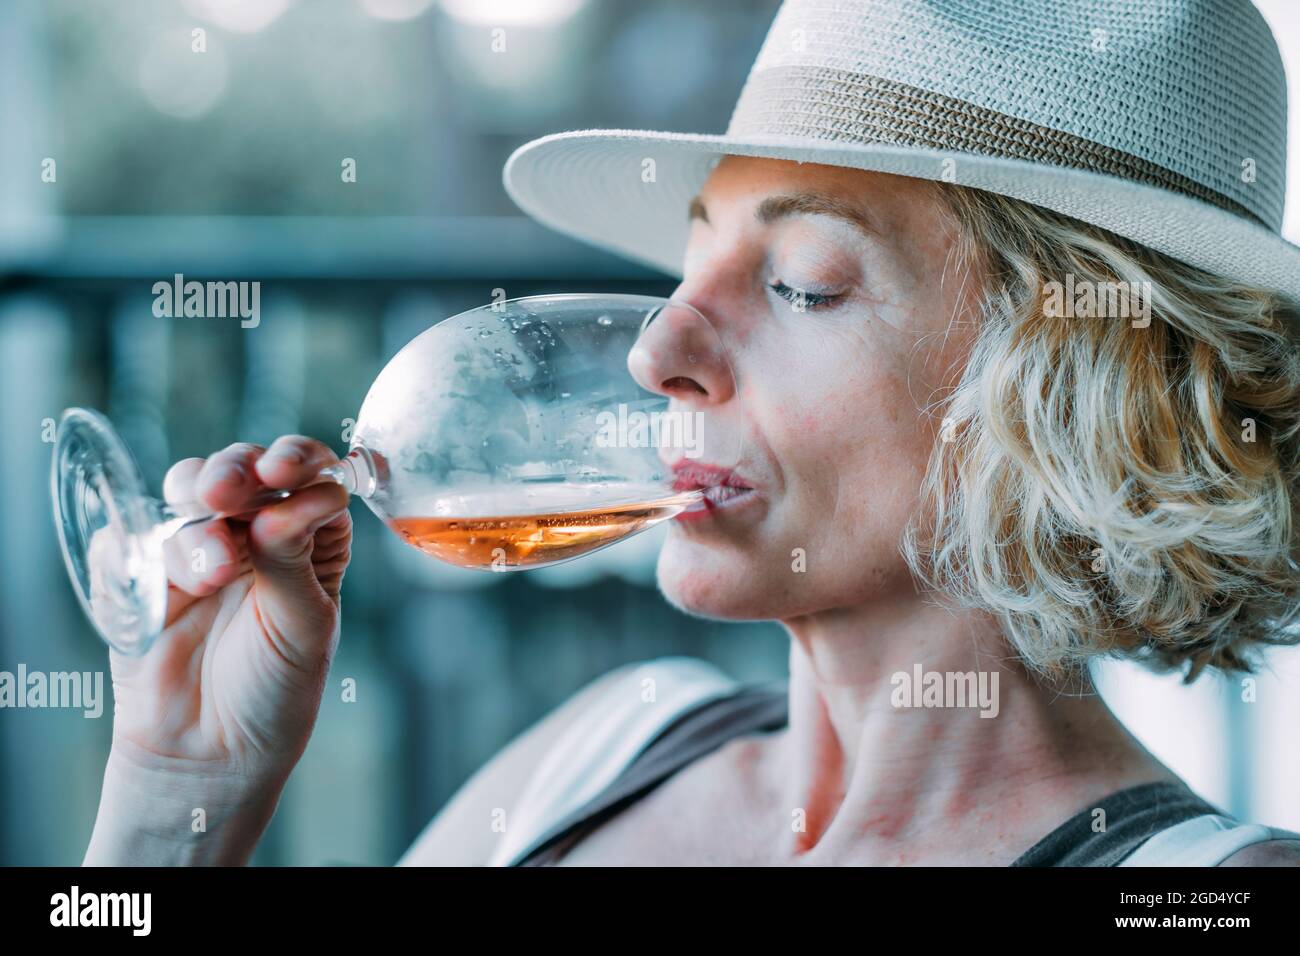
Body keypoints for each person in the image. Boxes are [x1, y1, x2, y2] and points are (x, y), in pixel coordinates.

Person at [85, 0, 1300, 866]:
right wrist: (180, 796)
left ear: (1063, 385)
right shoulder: (610, 746)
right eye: (693, 254)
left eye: (806, 282)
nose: (655, 350)